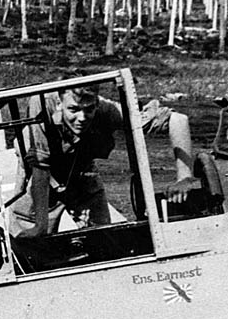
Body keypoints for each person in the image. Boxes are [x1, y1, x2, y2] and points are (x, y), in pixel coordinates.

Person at [13, 87, 199, 236]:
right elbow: (40, 167)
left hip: (81, 172)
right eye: (74, 110)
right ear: (60, 103)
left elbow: (178, 120)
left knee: (103, 240)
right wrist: (40, 226)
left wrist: (185, 178)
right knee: (30, 242)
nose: (82, 118)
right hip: (40, 176)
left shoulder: (107, 110)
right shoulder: (41, 106)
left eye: (89, 109)